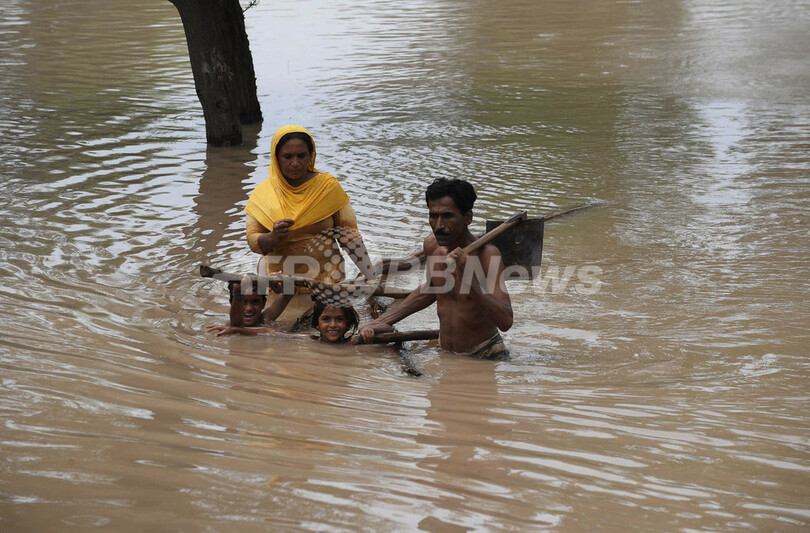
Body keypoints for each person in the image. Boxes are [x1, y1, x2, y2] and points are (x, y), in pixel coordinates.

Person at [359, 178, 513, 360]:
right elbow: (430, 289)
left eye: (447, 216)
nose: (438, 225)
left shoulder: (488, 255)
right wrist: (380, 322)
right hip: (446, 353)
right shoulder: (432, 245)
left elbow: (506, 321)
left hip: (484, 354)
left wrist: (469, 279)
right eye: (433, 216)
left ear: (468, 217)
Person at [245, 125, 376, 304]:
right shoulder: (263, 194)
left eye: (302, 156)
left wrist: (371, 278)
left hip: (328, 281)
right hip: (280, 285)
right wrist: (273, 237)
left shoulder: (327, 188)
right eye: (288, 157)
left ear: (311, 156)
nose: (295, 163)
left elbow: (350, 237)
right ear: (276, 158)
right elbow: (253, 241)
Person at [206, 276, 360, 343]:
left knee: (322, 309)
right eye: (242, 302)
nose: (248, 309)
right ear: (232, 302)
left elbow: (290, 290)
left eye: (255, 302)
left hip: (297, 330)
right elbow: (236, 322)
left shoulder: (265, 318)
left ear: (264, 303)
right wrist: (238, 291)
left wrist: (278, 282)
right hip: (295, 333)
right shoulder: (232, 323)